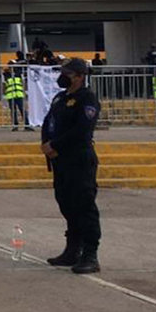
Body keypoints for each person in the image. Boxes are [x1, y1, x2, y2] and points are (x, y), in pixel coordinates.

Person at [41, 57, 102, 274]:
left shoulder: (87, 99)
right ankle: (72, 249)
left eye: (67, 73)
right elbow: (49, 122)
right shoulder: (59, 98)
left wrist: (55, 144)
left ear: (79, 76)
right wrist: (46, 144)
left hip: (79, 158)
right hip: (60, 160)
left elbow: (82, 129)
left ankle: (90, 253)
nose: (62, 76)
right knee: (65, 202)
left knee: (84, 205)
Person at [4, 60, 27, 131]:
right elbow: (4, 84)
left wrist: (25, 91)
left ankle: (27, 124)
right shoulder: (6, 74)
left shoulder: (19, 73)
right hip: (11, 95)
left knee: (22, 110)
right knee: (13, 111)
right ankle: (15, 125)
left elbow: (23, 83)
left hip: (19, 94)